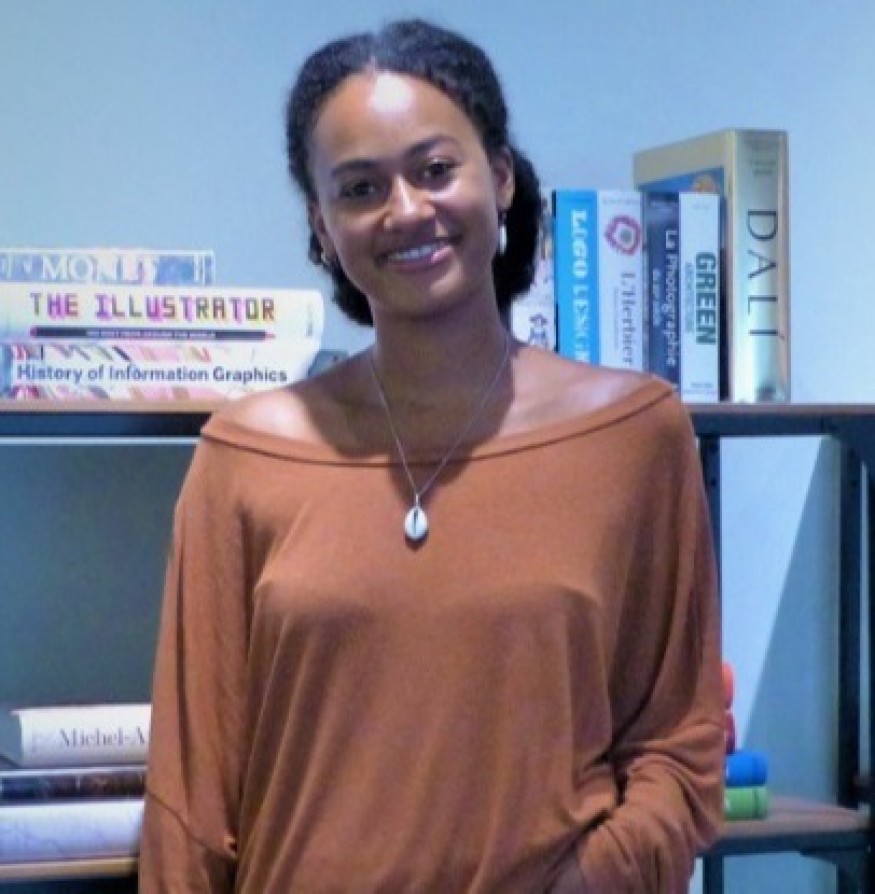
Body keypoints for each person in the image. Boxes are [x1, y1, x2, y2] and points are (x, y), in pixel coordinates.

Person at [139, 18, 724, 894]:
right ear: (321, 224)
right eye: (360, 187)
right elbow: (190, 800)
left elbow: (678, 752)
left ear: (501, 176)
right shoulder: (245, 458)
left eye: (435, 169)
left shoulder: (633, 435)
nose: (405, 210)